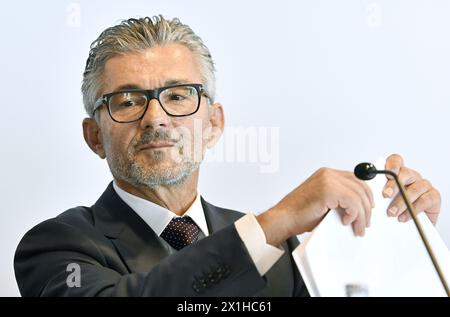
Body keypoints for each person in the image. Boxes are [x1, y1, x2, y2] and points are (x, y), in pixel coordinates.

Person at [14, 16, 442, 297]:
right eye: (127, 101)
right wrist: (276, 221)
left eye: (178, 95)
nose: (156, 118)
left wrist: (409, 236)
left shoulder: (288, 253)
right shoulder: (55, 249)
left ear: (214, 124)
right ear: (94, 136)